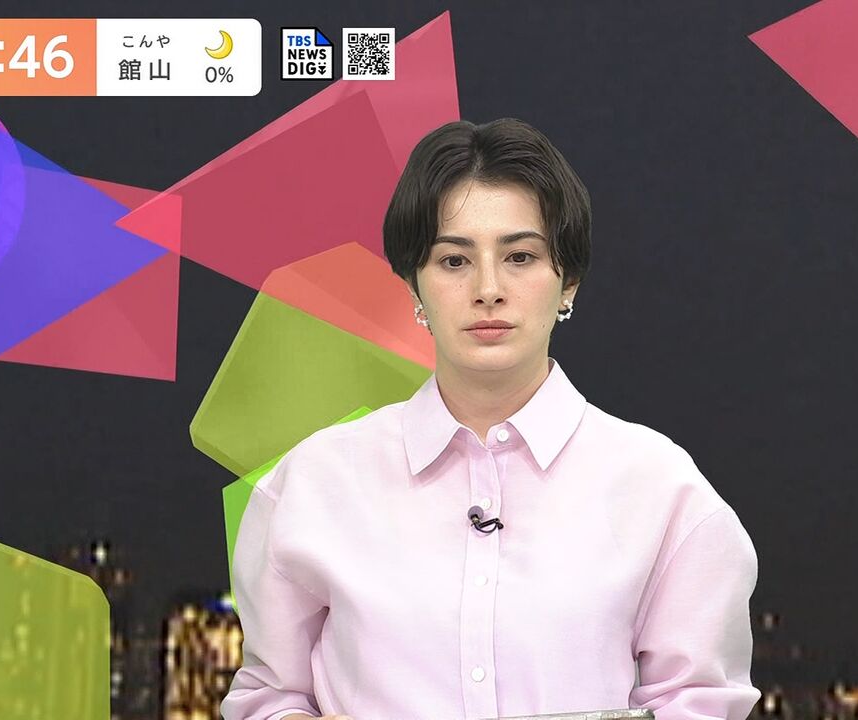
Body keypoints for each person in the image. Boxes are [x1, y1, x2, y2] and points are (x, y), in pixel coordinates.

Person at [221, 118, 762, 720]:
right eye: (454, 260)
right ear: (414, 286)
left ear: (568, 280)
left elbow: (699, 702)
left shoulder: (662, 490)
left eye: (520, 257)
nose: (488, 289)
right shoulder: (314, 482)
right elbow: (269, 696)